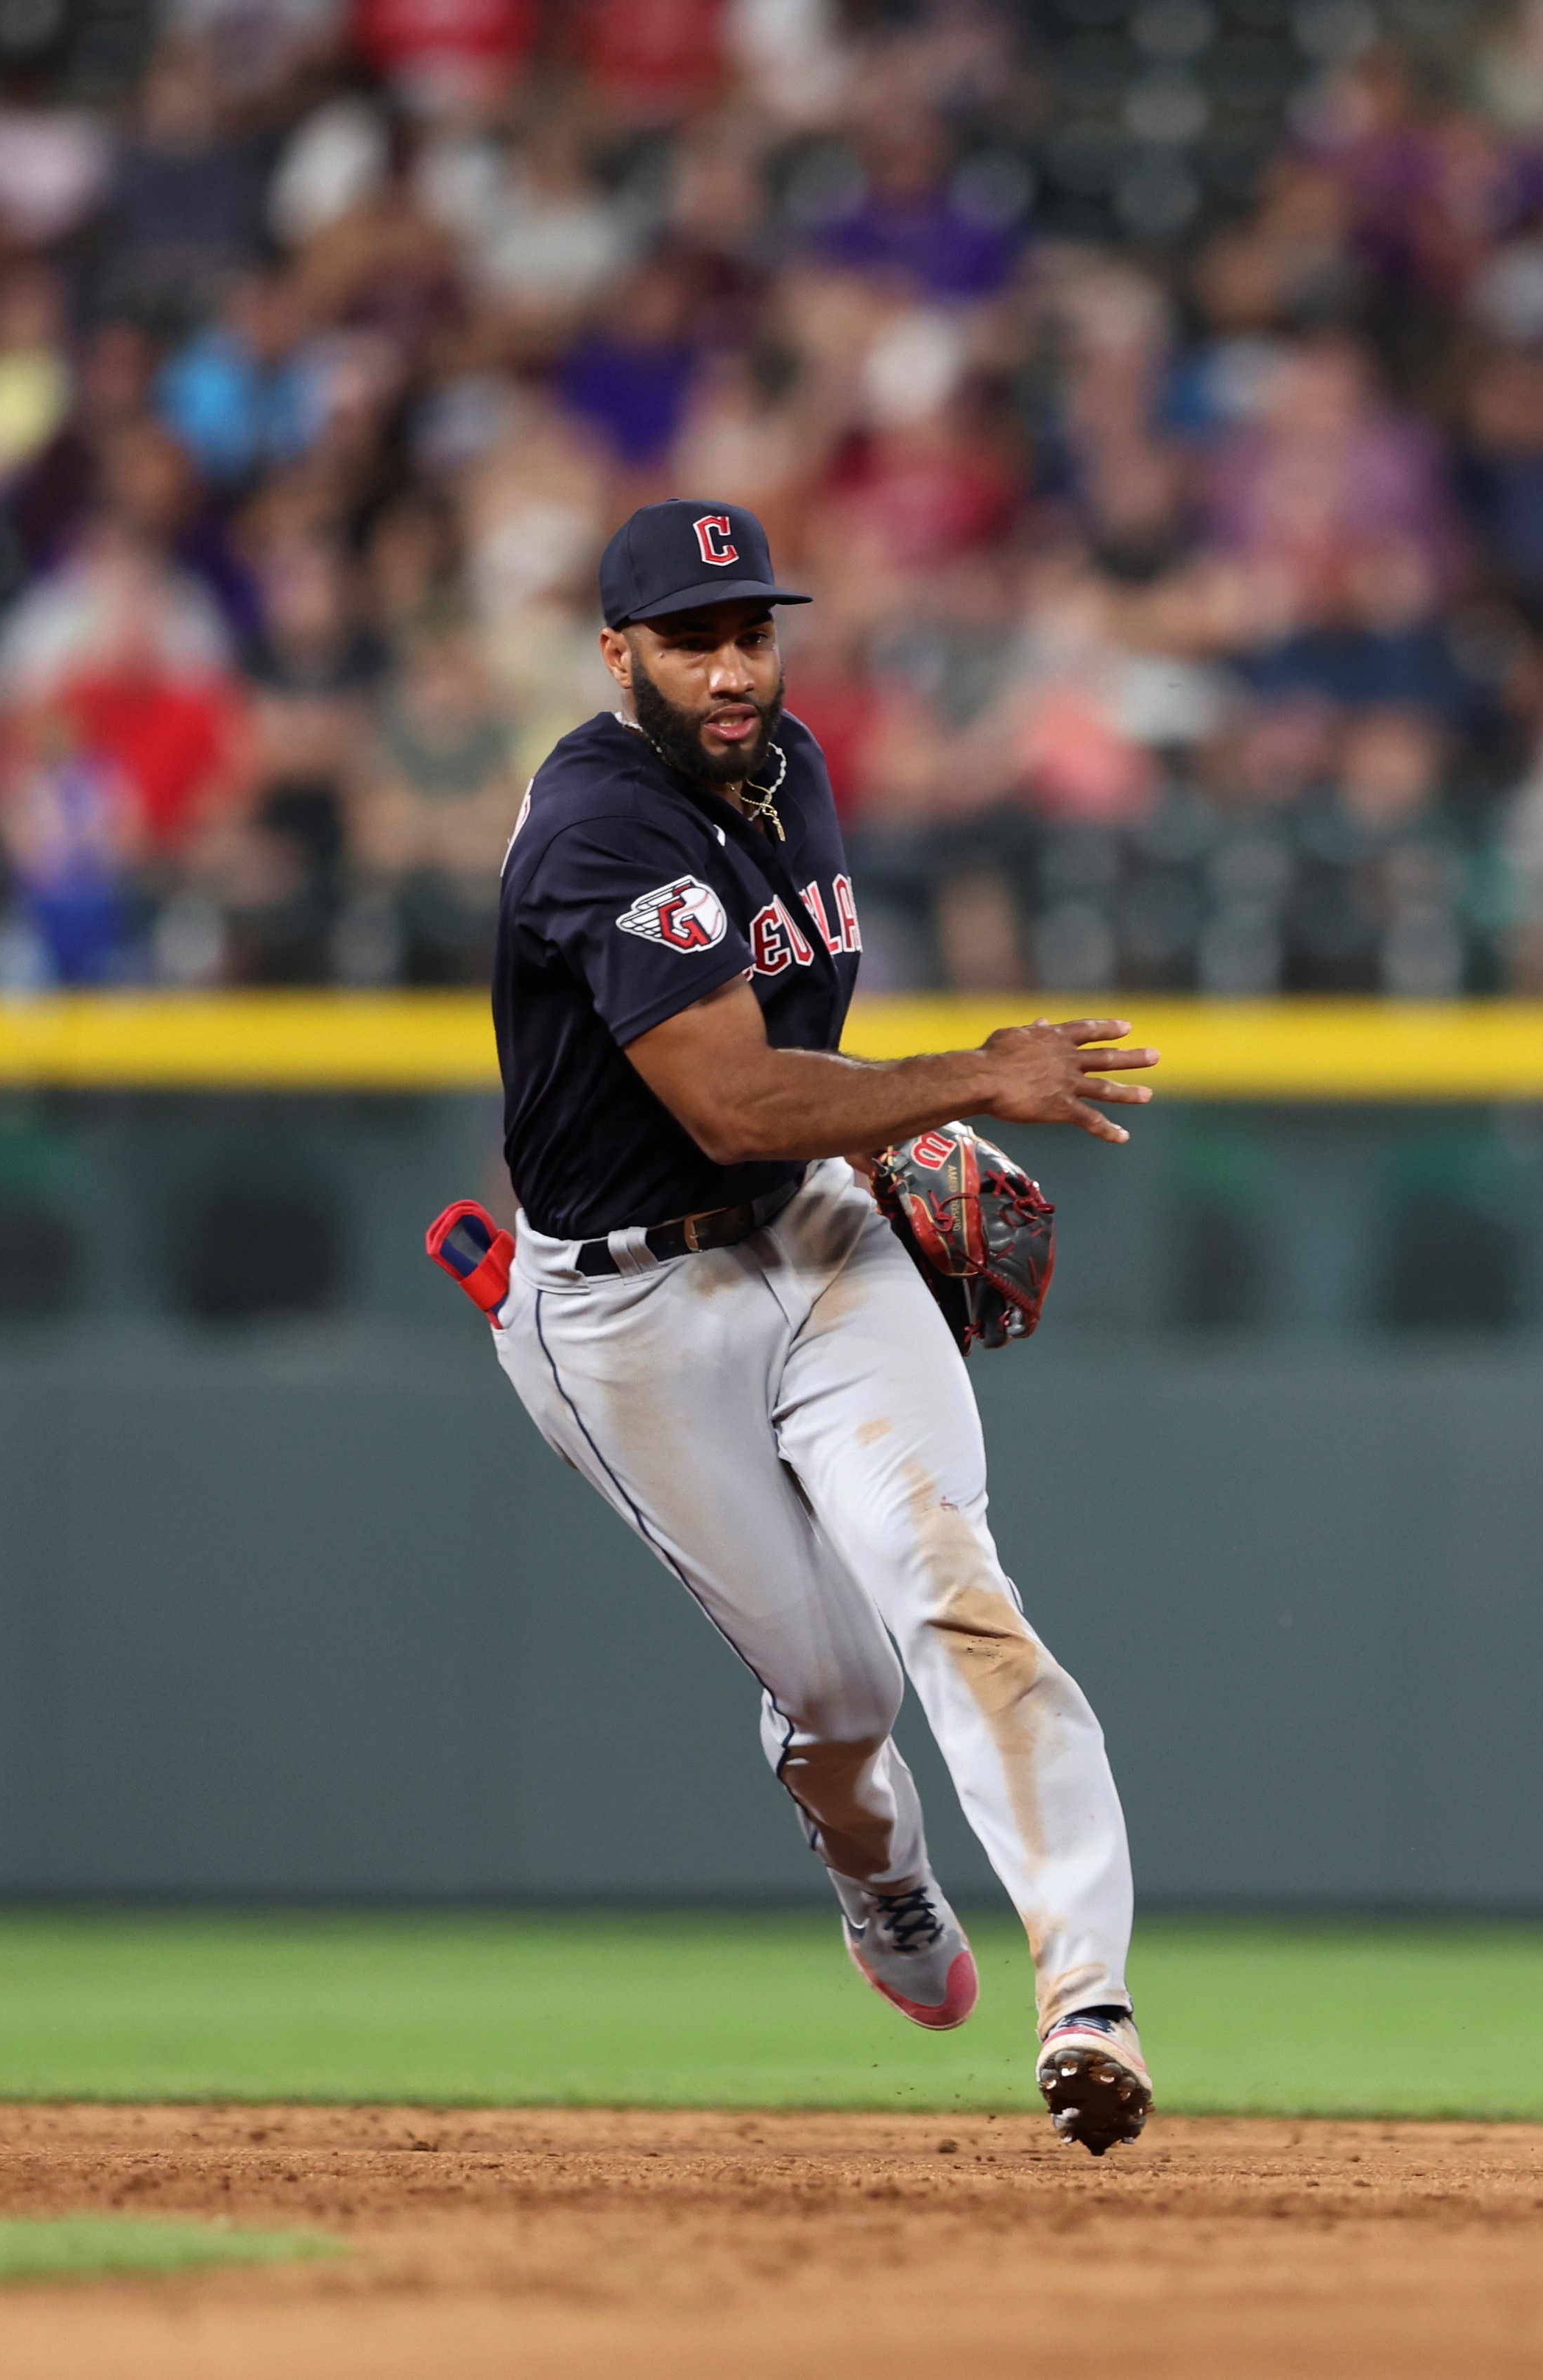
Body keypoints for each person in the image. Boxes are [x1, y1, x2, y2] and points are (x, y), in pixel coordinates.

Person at [480, 498, 1160, 2152]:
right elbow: (719, 1098)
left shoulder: (792, 772)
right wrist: (973, 1075)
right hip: (627, 1311)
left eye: (753, 630)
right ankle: (883, 1885)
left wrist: (887, 1128)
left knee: (956, 1591)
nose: (733, 667)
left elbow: (794, 1076)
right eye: (694, 638)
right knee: (841, 1699)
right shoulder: (598, 821)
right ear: (617, 653)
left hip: (815, 1243)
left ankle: (1090, 2006)